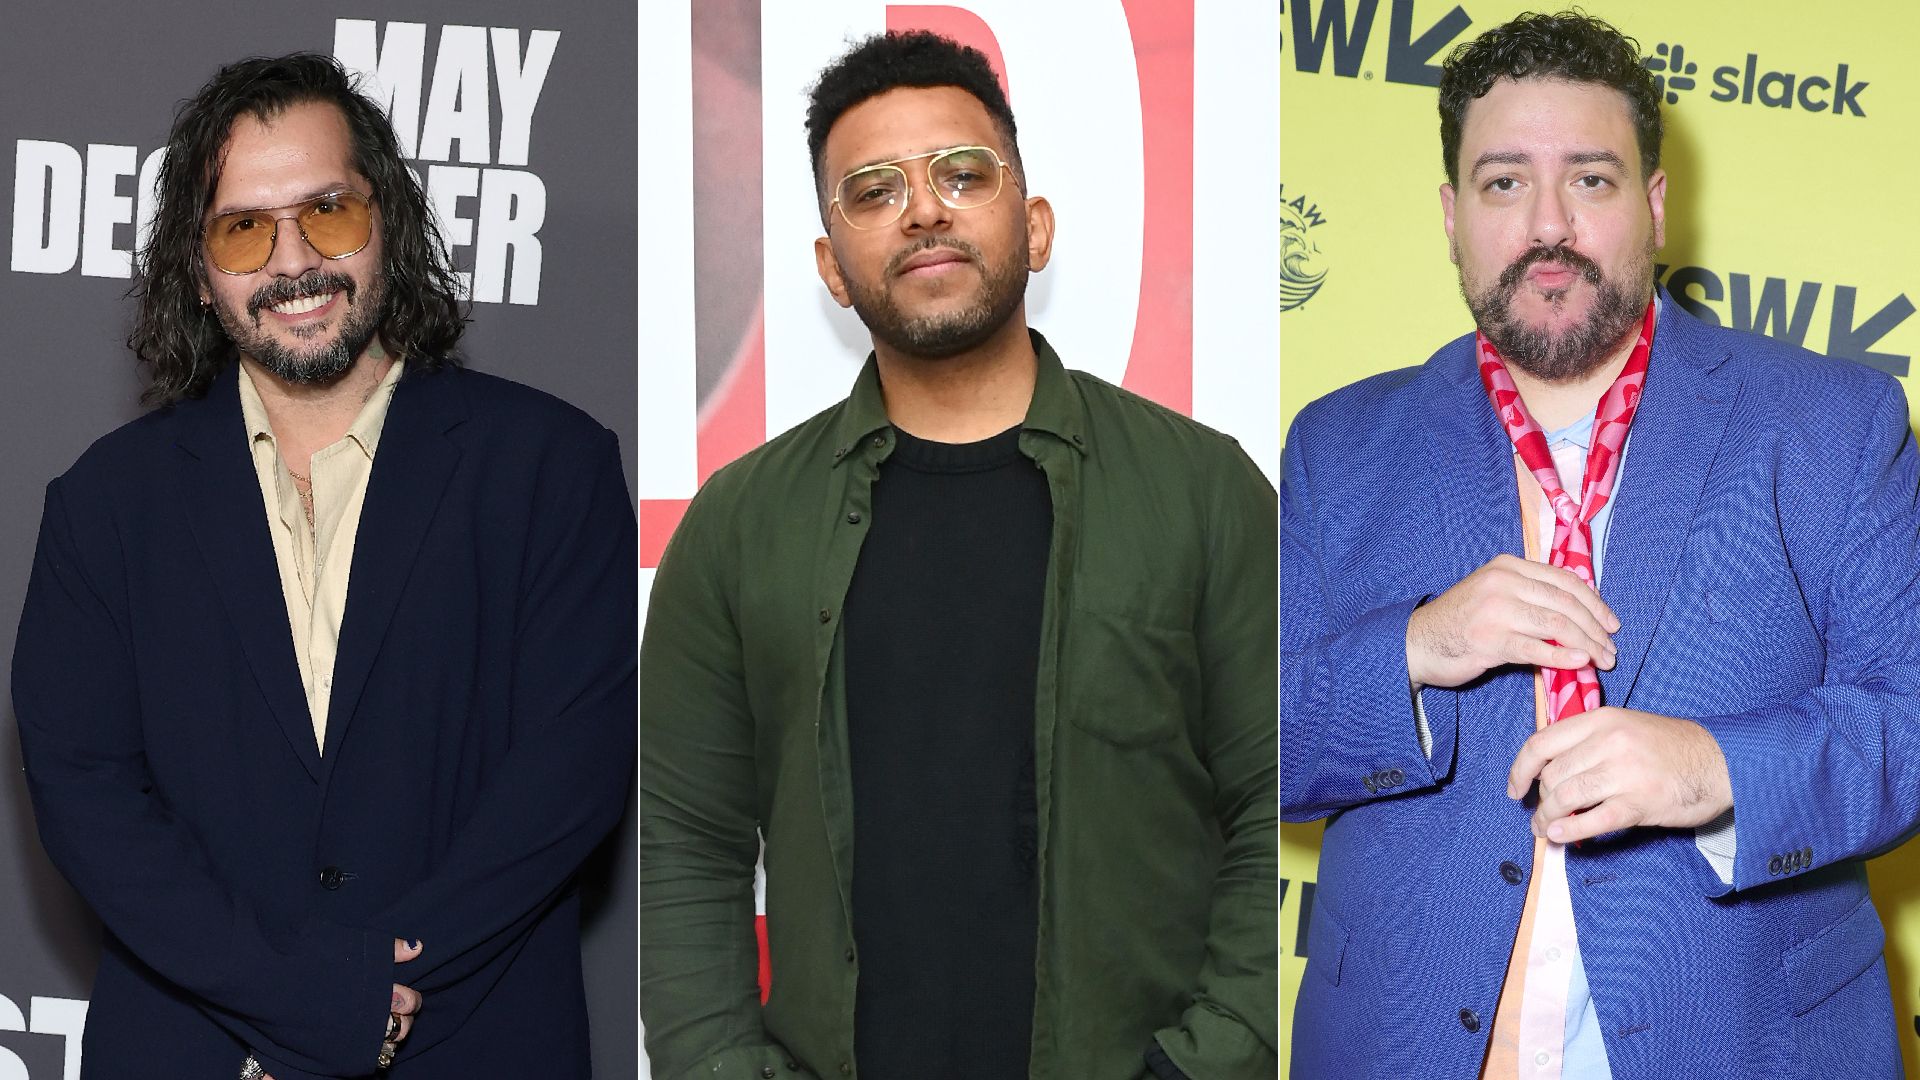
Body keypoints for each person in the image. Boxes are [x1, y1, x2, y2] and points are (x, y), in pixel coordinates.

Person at [1281, 11, 1920, 1078]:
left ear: (1656, 205)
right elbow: (1259, 747)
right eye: (1501, 183)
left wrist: (1715, 770)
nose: (1547, 225)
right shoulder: (1337, 445)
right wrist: (1411, 649)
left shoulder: (1834, 424)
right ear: (1449, 216)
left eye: (1590, 179)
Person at [641, 30, 1276, 1080]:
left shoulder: (1204, 494)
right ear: (830, 269)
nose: (924, 208)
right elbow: (685, 846)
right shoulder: (739, 525)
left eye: (961, 174)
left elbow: (1270, 804)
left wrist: (1203, 1064)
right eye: (873, 189)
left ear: (1034, 227)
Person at [11, 54, 635, 1080]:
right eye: (244, 227)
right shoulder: (103, 505)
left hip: (471, 1041)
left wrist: (364, 993)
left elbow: (567, 778)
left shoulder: (548, 465)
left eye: (330, 212)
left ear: (386, 220)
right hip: (193, 1047)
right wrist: (299, 999)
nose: (294, 261)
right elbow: (86, 796)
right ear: (198, 270)